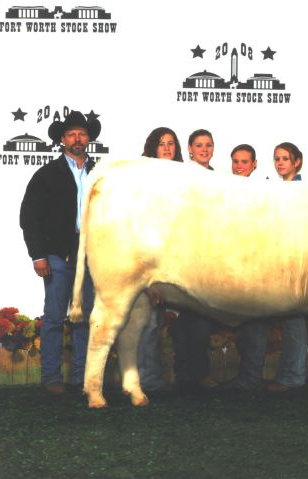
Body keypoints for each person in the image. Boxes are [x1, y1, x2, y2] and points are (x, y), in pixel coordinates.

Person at [19, 110, 100, 394]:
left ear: (88, 138)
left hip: (90, 256)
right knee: (54, 317)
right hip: (58, 255)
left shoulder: (99, 173)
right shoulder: (47, 174)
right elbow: (30, 216)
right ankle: (51, 377)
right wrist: (38, 254)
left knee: (85, 317)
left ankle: (81, 377)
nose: (77, 139)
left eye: (82, 133)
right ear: (62, 140)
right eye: (71, 134)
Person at [222, 142, 308, 393]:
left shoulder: (304, 191)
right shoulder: (271, 189)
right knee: (256, 318)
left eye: (285, 159)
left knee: (293, 320)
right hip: (268, 262)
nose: (280, 163)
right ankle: (251, 376)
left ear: (297, 162)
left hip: (295, 263)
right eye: (277, 159)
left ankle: (292, 377)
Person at [168, 128, 218, 393]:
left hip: (209, 256)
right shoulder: (180, 177)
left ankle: (198, 373)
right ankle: (184, 372)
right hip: (181, 254)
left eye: (208, 145)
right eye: (199, 145)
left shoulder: (221, 180)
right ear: (189, 148)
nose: (204, 149)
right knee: (184, 318)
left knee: (200, 317)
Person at [136, 127, 184, 392]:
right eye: (161, 144)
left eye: (171, 143)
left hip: (180, 261)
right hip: (150, 260)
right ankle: (149, 380)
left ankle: (176, 378)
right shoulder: (144, 181)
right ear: (152, 148)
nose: (167, 148)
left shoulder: (186, 180)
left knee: (171, 322)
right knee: (149, 321)